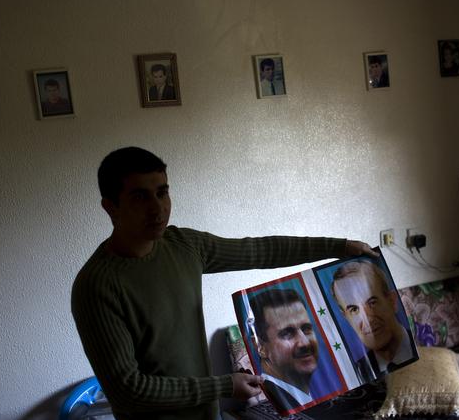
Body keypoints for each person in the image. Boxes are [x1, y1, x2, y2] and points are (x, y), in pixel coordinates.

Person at [71, 146, 376, 420]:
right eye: (140, 197)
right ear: (110, 206)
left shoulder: (184, 245)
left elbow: (261, 250)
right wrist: (223, 385)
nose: (157, 208)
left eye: (162, 192)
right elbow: (128, 390)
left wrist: (341, 246)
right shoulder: (97, 285)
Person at [331, 259, 414, 381]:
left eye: (372, 302)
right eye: (354, 309)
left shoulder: (424, 344)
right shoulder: (355, 376)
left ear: (392, 301)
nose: (367, 320)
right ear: (347, 318)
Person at [249, 288, 319, 411]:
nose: (305, 343)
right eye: (287, 333)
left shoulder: (302, 399)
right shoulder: (269, 403)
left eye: (306, 328)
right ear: (261, 347)